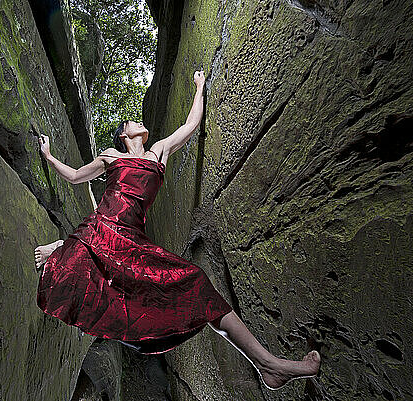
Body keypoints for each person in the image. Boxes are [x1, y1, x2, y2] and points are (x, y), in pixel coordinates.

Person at [34, 70, 320, 390]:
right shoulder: (111, 156)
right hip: (104, 229)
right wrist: (48, 156)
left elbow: (190, 125)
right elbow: (75, 176)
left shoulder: (159, 152)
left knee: (195, 283)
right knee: (81, 261)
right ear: (124, 134)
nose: (139, 123)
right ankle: (60, 249)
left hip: (133, 240)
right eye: (131, 122)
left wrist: (199, 87)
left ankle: (267, 365)